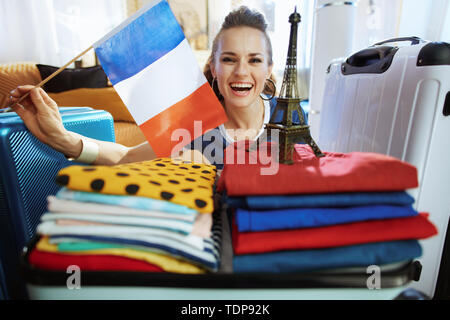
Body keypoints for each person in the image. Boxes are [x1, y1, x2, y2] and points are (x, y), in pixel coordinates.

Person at [9, 6, 304, 168]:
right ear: (213, 68)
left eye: (254, 60)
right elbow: (125, 156)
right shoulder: (195, 126)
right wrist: (61, 137)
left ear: (269, 70)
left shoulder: (295, 120)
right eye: (229, 59)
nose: (241, 71)